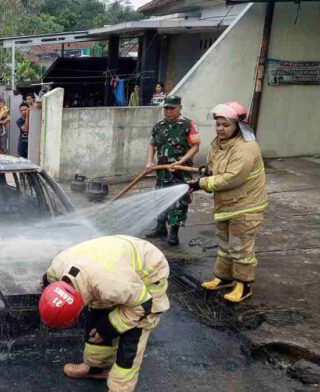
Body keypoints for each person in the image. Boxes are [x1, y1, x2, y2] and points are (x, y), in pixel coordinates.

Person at [39, 235, 169, 392]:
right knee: (96, 312)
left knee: (133, 331)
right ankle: (97, 368)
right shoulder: (58, 266)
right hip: (110, 269)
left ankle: (120, 387)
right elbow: (48, 279)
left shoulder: (111, 285)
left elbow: (142, 305)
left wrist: (107, 328)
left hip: (149, 274)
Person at [188, 101, 267, 303]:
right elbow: (214, 166)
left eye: (226, 125)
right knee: (225, 244)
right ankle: (223, 278)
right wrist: (206, 171)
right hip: (226, 204)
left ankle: (244, 284)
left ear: (238, 126)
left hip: (246, 206)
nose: (220, 129)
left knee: (240, 246)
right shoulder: (218, 143)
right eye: (218, 124)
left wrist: (201, 183)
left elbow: (233, 178)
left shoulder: (247, 148)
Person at [144, 95, 200, 245]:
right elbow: (152, 144)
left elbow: (195, 146)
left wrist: (181, 161)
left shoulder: (188, 124)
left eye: (172, 108)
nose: (168, 111)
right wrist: (149, 162)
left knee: (180, 201)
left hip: (181, 171)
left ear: (179, 108)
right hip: (162, 171)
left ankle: (174, 232)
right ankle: (160, 227)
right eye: (166, 108)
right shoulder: (158, 125)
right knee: (160, 198)